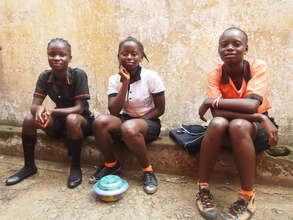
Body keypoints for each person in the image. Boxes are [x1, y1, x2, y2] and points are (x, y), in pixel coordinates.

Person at [196, 27, 278, 220]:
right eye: (224, 45)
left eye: (236, 44)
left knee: (238, 125)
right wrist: (259, 117)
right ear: (218, 50)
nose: (229, 48)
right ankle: (202, 188)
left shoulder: (257, 67)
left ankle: (247, 196)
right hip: (237, 126)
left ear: (246, 48)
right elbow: (216, 113)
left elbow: (251, 105)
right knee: (216, 123)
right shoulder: (215, 73)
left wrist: (212, 102)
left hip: (253, 132)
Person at [5, 38, 93, 189]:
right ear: (47, 56)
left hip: (81, 121)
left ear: (69, 58)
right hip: (59, 122)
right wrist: (38, 110)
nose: (57, 58)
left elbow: (79, 108)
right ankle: (29, 166)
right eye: (52, 54)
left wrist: (51, 111)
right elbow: (34, 105)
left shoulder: (78, 75)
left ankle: (75, 167)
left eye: (62, 55)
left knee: (72, 119)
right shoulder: (45, 77)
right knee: (28, 119)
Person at [89, 36, 165, 194]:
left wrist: (139, 122)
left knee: (130, 127)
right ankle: (111, 165)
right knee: (100, 122)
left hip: (148, 122)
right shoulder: (114, 79)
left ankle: (148, 171)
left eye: (134, 53)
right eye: (125, 53)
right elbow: (114, 111)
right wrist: (125, 83)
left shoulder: (151, 77)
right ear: (118, 56)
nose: (129, 57)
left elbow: (160, 109)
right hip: (125, 120)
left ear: (141, 56)